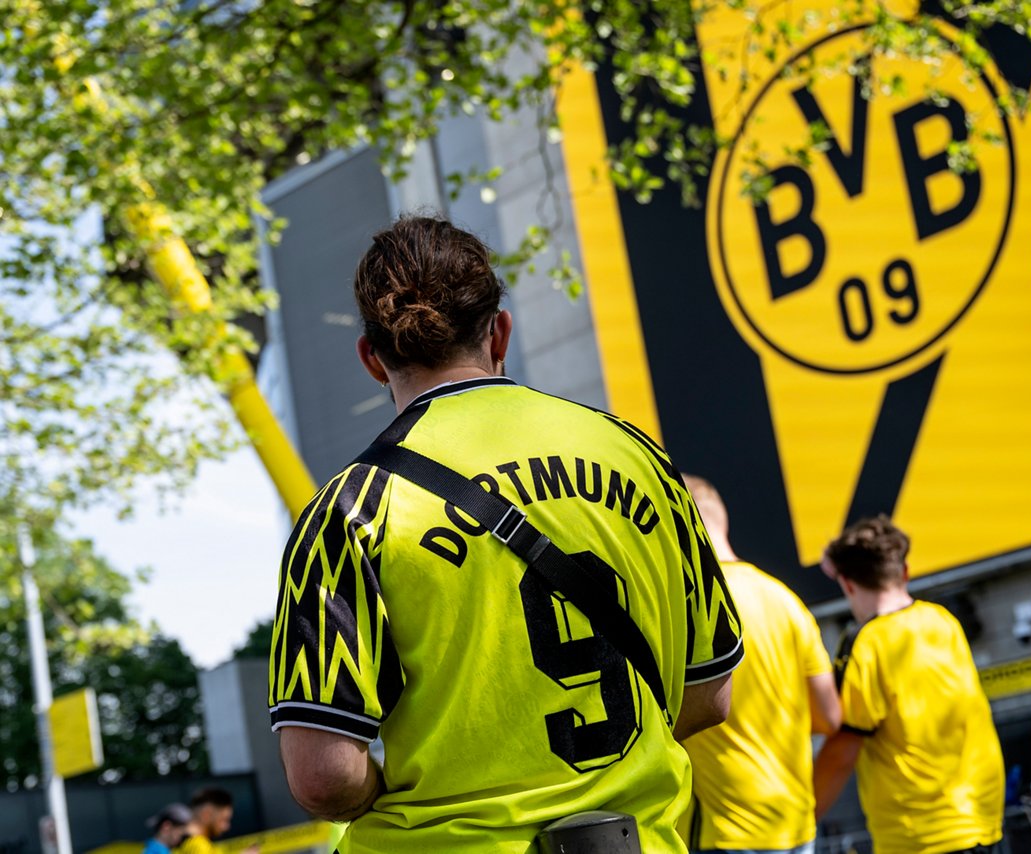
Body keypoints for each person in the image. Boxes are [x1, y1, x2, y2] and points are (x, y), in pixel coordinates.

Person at [267, 214, 744, 852]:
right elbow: (710, 695)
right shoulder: (640, 459)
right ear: (500, 332)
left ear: (372, 360)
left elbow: (323, 778)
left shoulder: (350, 513)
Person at [813, 515, 1004, 854]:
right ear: (904, 572)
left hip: (921, 837)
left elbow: (844, 747)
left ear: (847, 585)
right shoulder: (942, 621)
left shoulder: (866, 644)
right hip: (981, 823)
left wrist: (802, 815)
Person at [680, 476, 841, 854]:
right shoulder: (784, 598)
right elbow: (830, 717)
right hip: (795, 826)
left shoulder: (687, 605)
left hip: (723, 830)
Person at [176, 787, 236, 854]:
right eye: (224, 820)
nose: (227, 827)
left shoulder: (178, 843)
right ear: (207, 814)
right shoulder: (199, 846)